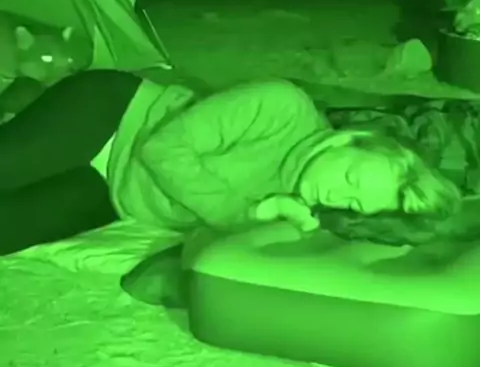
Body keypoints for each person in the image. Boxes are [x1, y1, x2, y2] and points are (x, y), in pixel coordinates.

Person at [0, 71, 462, 259]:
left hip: (115, 192)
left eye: (355, 203)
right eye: (350, 177)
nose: (338, 195)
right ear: (350, 140)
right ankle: (24, 101)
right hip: (115, 117)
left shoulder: (305, 209)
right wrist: (246, 213)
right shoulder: (283, 106)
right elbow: (163, 148)